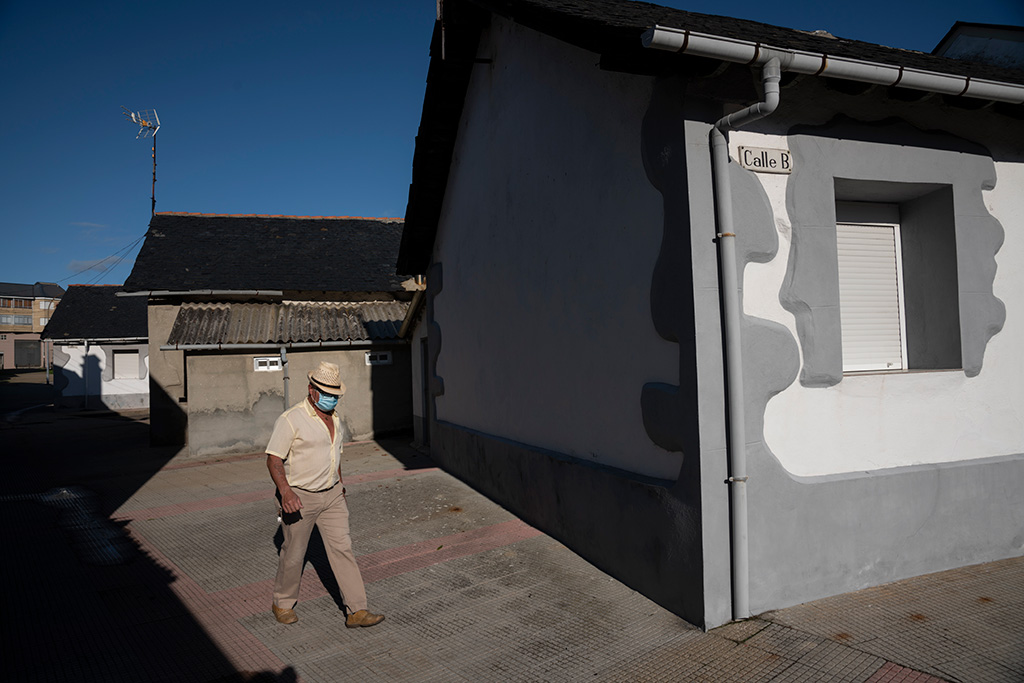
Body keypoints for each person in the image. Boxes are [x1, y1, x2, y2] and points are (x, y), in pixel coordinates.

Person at [265, 361, 384, 628]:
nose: (332, 399)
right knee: (294, 553)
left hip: (332, 496)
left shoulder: (336, 419)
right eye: (327, 393)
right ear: (312, 390)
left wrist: (340, 485)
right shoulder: (291, 419)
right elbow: (273, 459)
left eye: (335, 395)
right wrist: (286, 492)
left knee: (343, 549)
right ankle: (282, 603)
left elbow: (335, 455)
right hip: (300, 497)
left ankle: (357, 610)